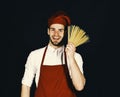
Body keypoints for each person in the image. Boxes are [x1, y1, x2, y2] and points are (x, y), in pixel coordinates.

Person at [21, 11, 86, 97]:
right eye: (53, 29)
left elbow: (80, 86)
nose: (56, 34)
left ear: (65, 32)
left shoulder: (75, 56)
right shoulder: (35, 55)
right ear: (48, 31)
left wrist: (71, 58)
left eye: (60, 30)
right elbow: (26, 86)